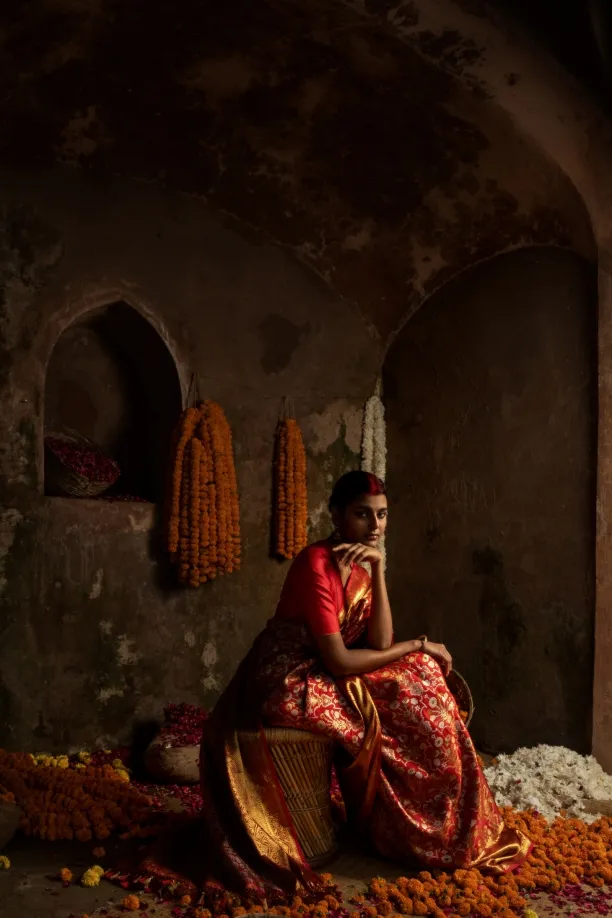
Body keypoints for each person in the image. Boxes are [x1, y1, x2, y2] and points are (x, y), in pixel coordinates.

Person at [139, 471, 530, 900]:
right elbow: (342, 661)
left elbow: (379, 642)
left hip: (325, 669)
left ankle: (443, 821)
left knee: (423, 674)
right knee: (413, 668)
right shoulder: (315, 563)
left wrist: (378, 570)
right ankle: (409, 826)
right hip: (287, 678)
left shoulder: (364, 561)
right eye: (363, 514)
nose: (375, 526)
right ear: (337, 514)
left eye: (382, 516)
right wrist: (417, 644)